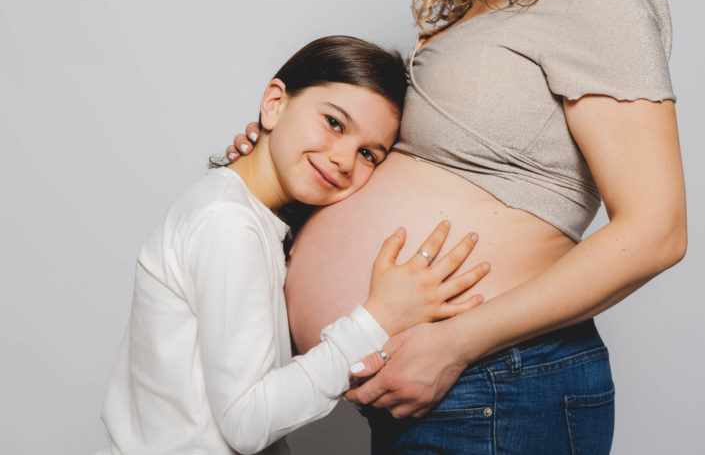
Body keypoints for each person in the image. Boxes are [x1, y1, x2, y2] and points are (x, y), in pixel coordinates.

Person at [226, 0, 687, 453]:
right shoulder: (476, 8)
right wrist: (275, 166)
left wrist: (454, 345)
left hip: (495, 377)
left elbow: (657, 231)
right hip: (435, 385)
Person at [97, 36, 491, 455]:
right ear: (274, 103)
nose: (343, 158)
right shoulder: (228, 223)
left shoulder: (249, 216)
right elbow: (246, 423)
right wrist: (379, 318)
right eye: (334, 122)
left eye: (369, 154)